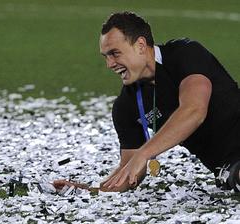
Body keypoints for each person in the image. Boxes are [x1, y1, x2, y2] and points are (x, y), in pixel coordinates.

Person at [54, 11, 240, 193]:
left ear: (141, 45)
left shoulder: (184, 53)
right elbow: (129, 168)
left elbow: (194, 111)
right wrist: (92, 190)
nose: (109, 64)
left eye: (115, 53)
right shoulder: (126, 106)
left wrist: (143, 154)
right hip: (231, 165)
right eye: (106, 57)